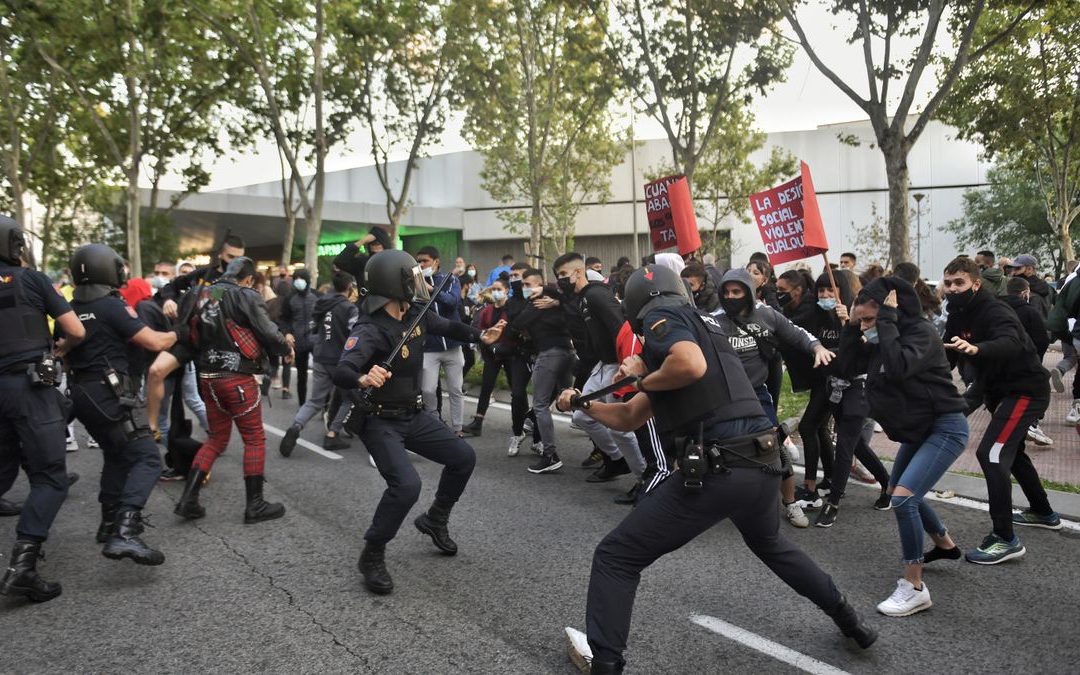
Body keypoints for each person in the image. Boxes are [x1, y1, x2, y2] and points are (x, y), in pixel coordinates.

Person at [562, 265, 875, 672]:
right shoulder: (711, 328)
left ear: (639, 305)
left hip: (719, 468)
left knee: (616, 556)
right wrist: (583, 403)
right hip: (763, 462)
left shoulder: (664, 317)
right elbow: (627, 417)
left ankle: (606, 664)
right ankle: (852, 621)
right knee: (772, 545)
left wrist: (641, 377)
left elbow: (688, 366)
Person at [332, 250, 505, 594]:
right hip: (380, 421)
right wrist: (364, 377)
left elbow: (447, 326)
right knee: (406, 486)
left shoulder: (415, 313)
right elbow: (342, 369)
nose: (420, 283)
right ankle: (373, 553)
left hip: (413, 414)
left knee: (463, 458)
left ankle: (435, 519)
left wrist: (479, 335)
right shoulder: (370, 328)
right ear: (394, 284)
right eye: (412, 278)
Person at [851, 276, 969, 616]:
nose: (866, 327)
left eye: (871, 320)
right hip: (920, 428)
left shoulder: (921, 333)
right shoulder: (884, 335)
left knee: (903, 500)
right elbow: (849, 365)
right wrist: (850, 329)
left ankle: (914, 586)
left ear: (892, 311)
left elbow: (900, 367)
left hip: (946, 426)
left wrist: (884, 322)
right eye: (863, 321)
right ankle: (944, 544)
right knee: (896, 488)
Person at [941, 257, 1062, 566]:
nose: (953, 289)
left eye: (960, 283)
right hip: (994, 390)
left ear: (976, 283)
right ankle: (1043, 512)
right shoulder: (957, 311)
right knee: (1013, 453)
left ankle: (1005, 539)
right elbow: (948, 352)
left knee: (992, 454)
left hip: (1025, 391)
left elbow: (1009, 340)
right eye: (949, 283)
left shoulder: (995, 309)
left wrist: (979, 349)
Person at [65, 244, 181, 565]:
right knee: (148, 460)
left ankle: (108, 522)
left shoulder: (70, 307)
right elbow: (153, 342)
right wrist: (181, 332)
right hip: (110, 394)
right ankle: (125, 532)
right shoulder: (111, 306)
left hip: (81, 395)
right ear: (108, 269)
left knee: (116, 456)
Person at [0, 217, 86, 603]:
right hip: (29, 387)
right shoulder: (31, 280)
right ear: (15, 245)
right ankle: (23, 568)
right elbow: (76, 330)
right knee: (50, 477)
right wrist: (58, 351)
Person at [173, 257, 294, 525]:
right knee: (254, 439)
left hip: (208, 376)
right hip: (237, 378)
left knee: (216, 439)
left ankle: (188, 500)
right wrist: (286, 348)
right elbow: (268, 332)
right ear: (249, 279)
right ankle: (255, 505)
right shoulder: (245, 295)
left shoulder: (208, 292)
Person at [712, 268, 836, 528]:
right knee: (714, 448)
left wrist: (817, 348)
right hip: (723, 395)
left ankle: (790, 503)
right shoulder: (711, 321)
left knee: (774, 446)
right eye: (727, 291)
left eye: (737, 291)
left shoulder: (767, 315)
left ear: (749, 291)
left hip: (757, 393)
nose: (731, 296)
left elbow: (799, 334)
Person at [554, 252, 644, 484]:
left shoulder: (596, 295)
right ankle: (617, 459)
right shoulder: (582, 298)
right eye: (557, 276)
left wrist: (626, 365)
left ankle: (647, 479)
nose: (560, 279)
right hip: (600, 366)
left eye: (564, 274)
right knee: (583, 416)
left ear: (578, 272)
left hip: (616, 366)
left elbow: (621, 329)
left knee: (620, 428)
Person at [280, 271, 359, 455]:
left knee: (315, 400)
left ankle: (296, 426)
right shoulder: (349, 308)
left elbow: (313, 326)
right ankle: (332, 434)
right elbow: (355, 335)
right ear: (349, 288)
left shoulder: (321, 302)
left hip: (320, 356)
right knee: (349, 399)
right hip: (340, 360)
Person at [509, 268, 574, 473]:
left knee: (540, 405)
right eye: (524, 285)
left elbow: (517, 323)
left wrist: (545, 296)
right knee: (571, 402)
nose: (526, 289)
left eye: (529, 285)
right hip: (568, 354)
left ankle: (550, 454)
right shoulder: (557, 301)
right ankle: (608, 451)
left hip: (550, 354)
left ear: (540, 284)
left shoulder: (540, 302)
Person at [415, 246, 468, 436]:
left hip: (453, 345)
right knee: (428, 390)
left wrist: (432, 289)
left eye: (425, 261)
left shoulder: (450, 279)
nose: (421, 265)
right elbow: (417, 308)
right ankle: (434, 425)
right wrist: (420, 287)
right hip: (429, 347)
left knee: (456, 389)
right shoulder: (417, 283)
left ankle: (457, 428)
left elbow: (453, 301)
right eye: (418, 261)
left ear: (436, 261)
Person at [158, 234, 245, 319]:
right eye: (231, 257)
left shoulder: (244, 280)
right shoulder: (202, 274)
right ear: (220, 254)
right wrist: (168, 300)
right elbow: (172, 286)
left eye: (239, 258)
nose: (235, 262)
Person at [278, 268, 318, 403]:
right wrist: (287, 333)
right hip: (298, 341)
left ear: (307, 281)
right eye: (296, 279)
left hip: (316, 340)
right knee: (302, 376)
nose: (298, 282)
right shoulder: (289, 298)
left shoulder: (317, 296)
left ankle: (324, 405)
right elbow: (283, 319)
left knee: (321, 374)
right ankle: (302, 404)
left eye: (301, 279)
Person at [1006, 254, 1053, 318]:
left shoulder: (1023, 291)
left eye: (1018, 268)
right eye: (1013, 268)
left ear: (1029, 269)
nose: (1014, 272)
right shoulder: (1049, 287)